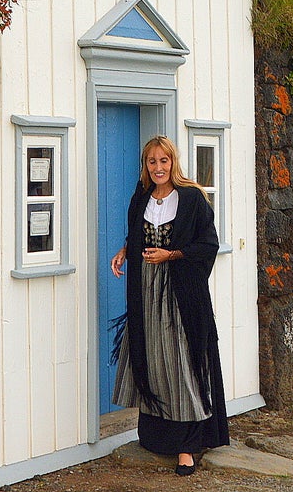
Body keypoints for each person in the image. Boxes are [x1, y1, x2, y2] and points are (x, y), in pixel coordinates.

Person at [110, 135, 229, 476]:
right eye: (152, 162)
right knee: (153, 359)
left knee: (181, 363)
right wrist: (125, 251)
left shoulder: (191, 199)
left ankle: (188, 448)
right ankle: (157, 438)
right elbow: (137, 236)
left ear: (172, 163)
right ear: (146, 166)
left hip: (180, 294)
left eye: (164, 161)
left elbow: (208, 245)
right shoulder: (141, 197)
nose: (158, 167)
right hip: (145, 292)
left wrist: (172, 254)